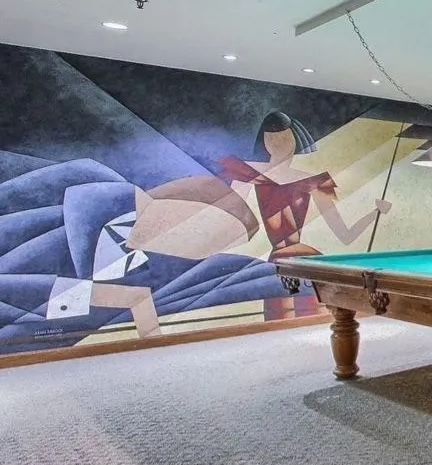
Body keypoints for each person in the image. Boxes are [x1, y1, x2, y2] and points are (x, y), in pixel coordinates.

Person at [0, 158, 281, 353]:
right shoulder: (81, 182)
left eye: (219, 244)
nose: (203, 249)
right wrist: (107, 296)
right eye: (209, 231)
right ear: (181, 203)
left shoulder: (147, 272)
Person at [218, 111, 391, 319]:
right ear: (264, 142)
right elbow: (231, 219)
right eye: (272, 139)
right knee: (282, 320)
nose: (279, 144)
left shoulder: (312, 181)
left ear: (295, 140)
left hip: (306, 261)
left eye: (284, 138)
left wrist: (375, 213)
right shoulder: (250, 173)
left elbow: (345, 235)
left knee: (319, 317)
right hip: (287, 262)